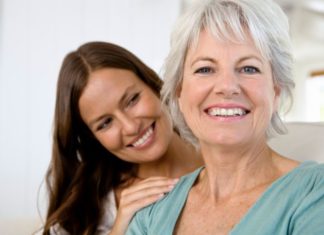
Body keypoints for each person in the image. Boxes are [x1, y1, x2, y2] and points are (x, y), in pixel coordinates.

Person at [126, 0, 324, 234]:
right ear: (179, 92)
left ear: (276, 91)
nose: (227, 86)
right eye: (205, 69)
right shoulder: (152, 211)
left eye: (249, 68)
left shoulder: (315, 193)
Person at [42, 41, 202, 235]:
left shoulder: (227, 151)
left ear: (152, 83)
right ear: (93, 138)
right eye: (105, 123)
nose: (131, 126)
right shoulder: (90, 212)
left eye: (132, 100)